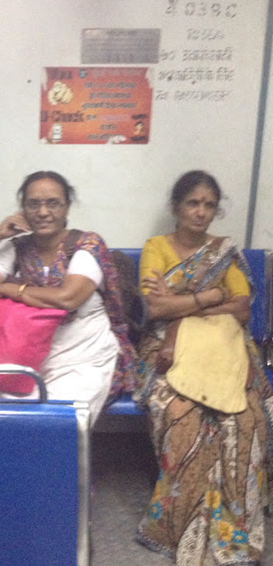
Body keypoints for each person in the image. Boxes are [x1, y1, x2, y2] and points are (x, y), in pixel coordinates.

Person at [134, 170, 273, 565]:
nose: (200, 211)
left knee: (248, 419)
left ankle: (235, 527)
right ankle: (180, 524)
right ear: (176, 207)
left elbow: (241, 309)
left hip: (224, 346)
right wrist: (212, 296)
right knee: (182, 415)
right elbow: (155, 309)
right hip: (165, 346)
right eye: (193, 203)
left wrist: (183, 300)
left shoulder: (224, 251)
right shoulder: (156, 247)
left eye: (209, 205)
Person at [0, 171, 137, 419]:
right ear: (23, 209)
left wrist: (9, 289)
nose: (43, 212)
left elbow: (68, 299)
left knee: (50, 421)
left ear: (67, 207)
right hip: (24, 357)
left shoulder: (88, 245)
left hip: (84, 358)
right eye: (33, 204)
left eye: (53, 203)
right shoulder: (18, 248)